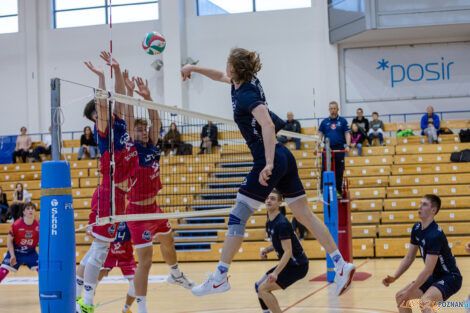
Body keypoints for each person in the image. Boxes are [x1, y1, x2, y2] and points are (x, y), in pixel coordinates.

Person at [182, 48, 355, 297]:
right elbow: (219, 75)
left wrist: (269, 163)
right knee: (304, 214)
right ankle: (340, 264)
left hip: (269, 157)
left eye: (228, 63)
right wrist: (193, 69)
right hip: (284, 155)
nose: (225, 67)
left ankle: (220, 277)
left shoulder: (246, 94)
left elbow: (268, 124)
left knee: (238, 213)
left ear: (235, 68)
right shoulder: (242, 81)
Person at [124, 75, 194, 313]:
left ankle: (175, 274)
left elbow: (156, 120)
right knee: (145, 262)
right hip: (136, 213)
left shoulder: (151, 145)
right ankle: (140, 308)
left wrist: (148, 97)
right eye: (139, 130)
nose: (144, 133)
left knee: (168, 239)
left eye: (145, 130)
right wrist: (129, 93)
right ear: (132, 133)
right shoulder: (131, 149)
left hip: (153, 207)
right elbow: (128, 118)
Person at [77, 52, 139, 313]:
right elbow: (103, 102)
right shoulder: (104, 127)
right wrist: (102, 77)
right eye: (104, 107)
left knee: (97, 250)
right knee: (100, 250)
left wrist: (118, 67)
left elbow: (121, 98)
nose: (112, 105)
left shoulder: (120, 123)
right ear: (95, 117)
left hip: (120, 194)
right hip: (109, 192)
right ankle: (85, 303)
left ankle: (78, 295)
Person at [382, 194, 462, 313]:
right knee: (401, 297)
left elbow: (428, 270)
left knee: (425, 302)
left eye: (424, 204)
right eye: (420, 203)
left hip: (450, 277)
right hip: (434, 277)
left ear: (433, 210)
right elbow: (409, 258)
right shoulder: (417, 228)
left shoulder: (435, 234)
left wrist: (409, 292)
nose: (419, 207)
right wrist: (395, 277)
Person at [255, 190, 309, 313]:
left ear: (280, 203)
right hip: (289, 264)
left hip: (297, 266)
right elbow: (277, 242)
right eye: (267, 198)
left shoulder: (281, 223)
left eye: (273, 199)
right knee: (259, 287)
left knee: (263, 289)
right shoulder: (270, 221)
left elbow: (288, 251)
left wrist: (275, 273)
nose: (269, 200)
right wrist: (267, 250)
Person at [77, 222, 136, 313]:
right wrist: (91, 228)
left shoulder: (129, 217)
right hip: (109, 254)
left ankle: (126, 309)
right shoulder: (106, 215)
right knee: (94, 282)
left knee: (135, 285)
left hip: (126, 256)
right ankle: (86, 304)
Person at [0, 202, 39, 283]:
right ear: (24, 212)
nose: (30, 210)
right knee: (2, 272)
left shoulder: (38, 226)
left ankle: (49, 291)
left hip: (31, 253)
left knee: (43, 271)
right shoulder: (16, 224)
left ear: (35, 212)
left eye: (32, 209)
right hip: (16, 252)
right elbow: (9, 240)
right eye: (28, 209)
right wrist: (12, 255)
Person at [318, 101, 351, 194]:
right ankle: (323, 190)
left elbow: (347, 134)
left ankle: (338, 190)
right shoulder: (324, 122)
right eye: (331, 109)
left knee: (339, 169)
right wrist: (317, 147)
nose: (333, 110)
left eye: (334, 108)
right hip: (327, 148)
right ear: (329, 109)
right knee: (324, 168)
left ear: (337, 109)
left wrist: (348, 146)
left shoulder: (343, 121)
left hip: (339, 148)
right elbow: (320, 136)